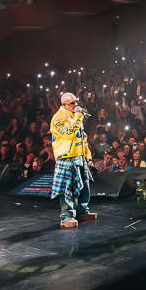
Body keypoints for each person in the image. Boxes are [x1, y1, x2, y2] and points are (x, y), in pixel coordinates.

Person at [50, 92, 96, 229]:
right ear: (64, 104)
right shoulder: (57, 119)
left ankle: (82, 211)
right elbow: (70, 133)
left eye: (76, 102)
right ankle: (66, 216)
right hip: (67, 158)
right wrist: (78, 116)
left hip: (79, 156)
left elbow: (83, 138)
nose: (76, 105)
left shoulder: (75, 116)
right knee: (67, 188)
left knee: (85, 186)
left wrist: (87, 156)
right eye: (72, 103)